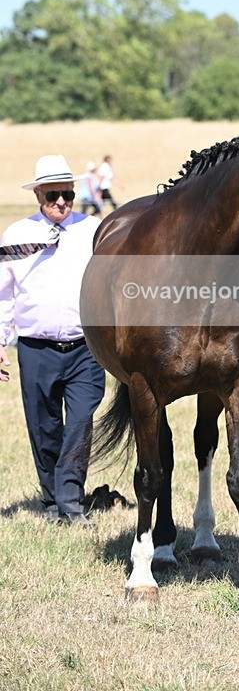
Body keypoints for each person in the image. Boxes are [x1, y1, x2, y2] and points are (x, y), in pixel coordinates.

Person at [0, 154, 106, 527]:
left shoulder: (95, 229)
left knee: (79, 422)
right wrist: (1, 342)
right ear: (38, 195)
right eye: (52, 196)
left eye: (67, 194)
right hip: (35, 348)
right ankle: (51, 499)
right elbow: (4, 294)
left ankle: (71, 503)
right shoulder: (16, 235)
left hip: (85, 347)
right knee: (43, 426)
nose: (61, 202)